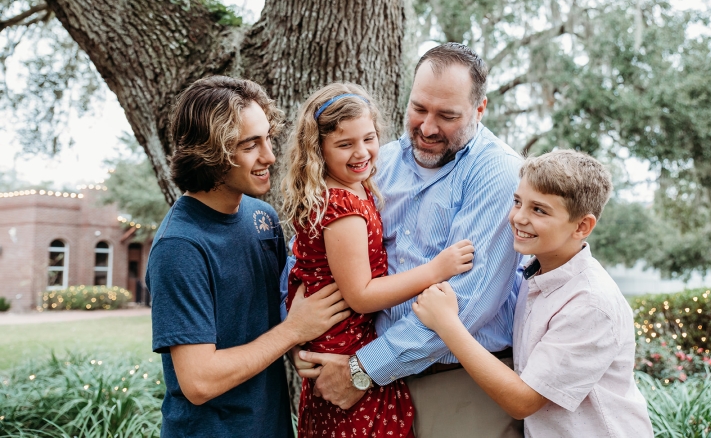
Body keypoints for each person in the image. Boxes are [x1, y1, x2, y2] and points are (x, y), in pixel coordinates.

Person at [297, 43, 524, 437]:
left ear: (480, 109)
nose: (428, 127)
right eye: (419, 108)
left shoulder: (498, 172)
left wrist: (363, 369)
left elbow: (466, 303)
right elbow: (315, 252)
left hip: (457, 387)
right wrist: (298, 333)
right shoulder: (376, 162)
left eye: (447, 116)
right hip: (373, 386)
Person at [146, 76, 351, 438]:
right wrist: (293, 331)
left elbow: (277, 318)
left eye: (267, 138)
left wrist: (308, 351)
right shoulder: (179, 246)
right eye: (250, 145)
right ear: (210, 152)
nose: (269, 156)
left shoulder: (263, 219)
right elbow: (199, 381)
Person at [414, 149, 654, 437]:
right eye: (517, 202)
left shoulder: (590, 304)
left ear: (582, 226)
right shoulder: (534, 271)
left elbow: (523, 401)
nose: (518, 217)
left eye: (539, 210)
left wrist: (446, 323)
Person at [281, 82, 475, 438]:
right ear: (318, 149)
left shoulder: (351, 187)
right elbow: (362, 295)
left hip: (341, 341)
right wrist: (435, 270)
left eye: (369, 138)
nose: (361, 152)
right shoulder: (342, 206)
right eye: (344, 144)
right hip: (344, 347)